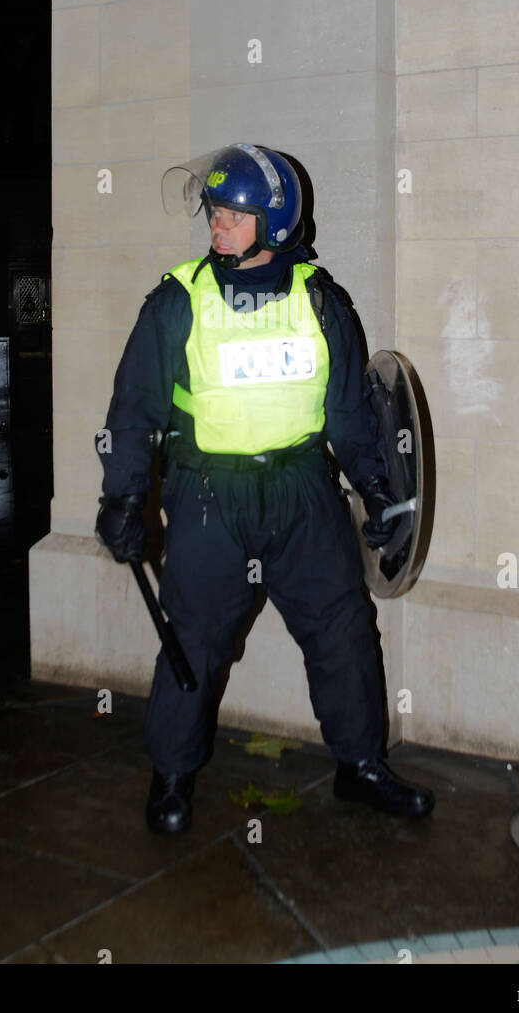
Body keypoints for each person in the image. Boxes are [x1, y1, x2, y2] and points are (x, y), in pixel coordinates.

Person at [95, 143, 435, 833]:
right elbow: (135, 407)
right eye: (214, 212)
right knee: (194, 639)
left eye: (231, 214)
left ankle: (360, 765)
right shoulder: (178, 298)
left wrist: (378, 492)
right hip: (210, 498)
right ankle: (172, 776)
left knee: (342, 630)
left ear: (274, 223)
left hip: (305, 493)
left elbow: (349, 412)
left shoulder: (321, 300)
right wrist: (124, 496)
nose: (216, 225)